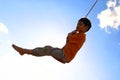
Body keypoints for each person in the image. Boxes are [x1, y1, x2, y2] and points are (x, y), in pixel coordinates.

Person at [12, 17, 91, 64]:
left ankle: (24, 51)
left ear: (86, 28)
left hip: (65, 56)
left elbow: (70, 38)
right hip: (62, 53)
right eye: (77, 23)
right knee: (47, 48)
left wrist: (70, 34)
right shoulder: (78, 35)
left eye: (80, 24)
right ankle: (26, 51)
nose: (77, 25)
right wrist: (70, 35)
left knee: (48, 50)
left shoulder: (82, 36)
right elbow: (68, 41)